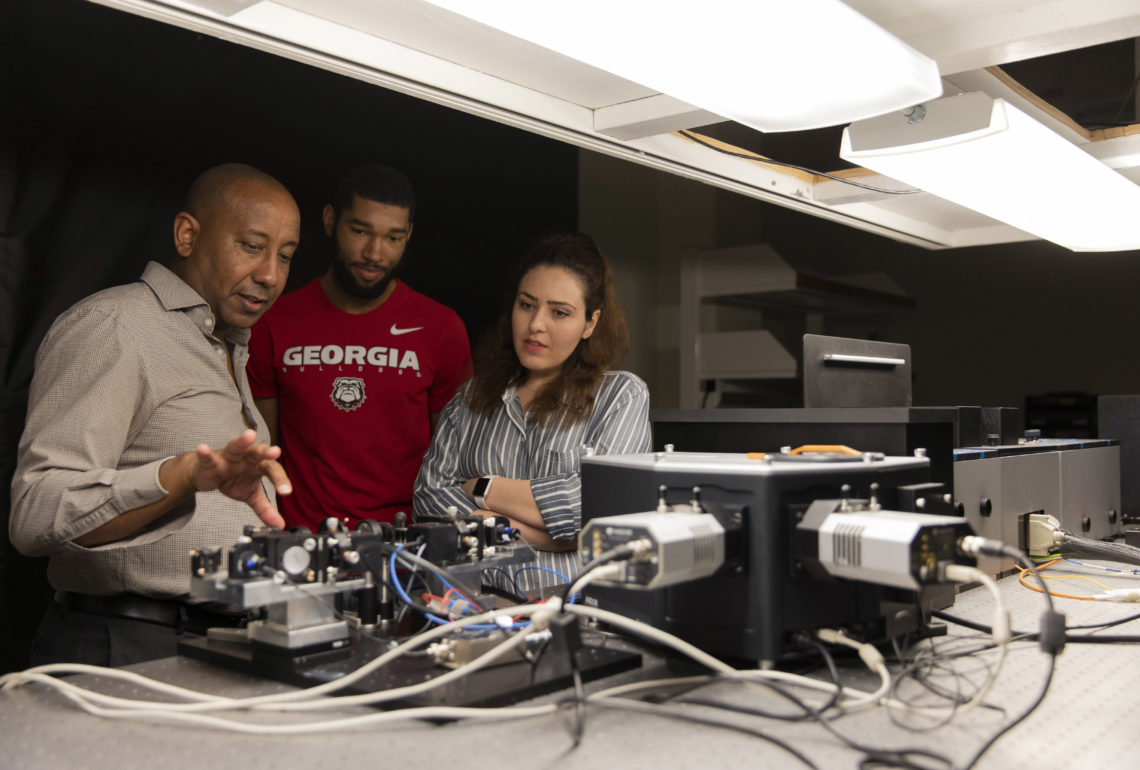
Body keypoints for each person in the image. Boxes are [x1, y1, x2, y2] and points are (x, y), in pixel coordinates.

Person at [8, 163, 300, 666]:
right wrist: (179, 476)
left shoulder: (226, 344)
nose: (271, 275)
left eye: (286, 255)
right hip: (123, 643)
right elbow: (35, 514)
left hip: (215, 646)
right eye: (251, 246)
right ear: (187, 235)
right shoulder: (115, 325)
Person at [413, 231, 651, 592]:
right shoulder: (469, 400)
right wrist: (551, 536)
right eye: (527, 305)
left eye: (559, 312)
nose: (536, 324)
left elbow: (601, 511)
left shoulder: (620, 396)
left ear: (590, 323)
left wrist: (483, 489)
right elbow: (428, 500)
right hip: (478, 611)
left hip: (576, 613)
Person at [247, 164, 472, 531]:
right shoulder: (273, 322)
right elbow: (264, 456)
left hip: (405, 547)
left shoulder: (442, 329)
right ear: (330, 220)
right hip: (303, 544)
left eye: (393, 238)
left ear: (409, 235)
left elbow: (455, 461)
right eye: (359, 231)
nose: (374, 253)